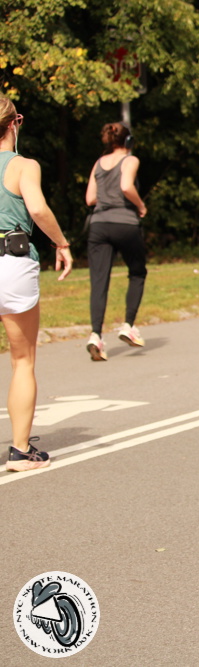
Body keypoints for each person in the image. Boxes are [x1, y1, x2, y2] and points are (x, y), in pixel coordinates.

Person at [0, 94, 73, 471]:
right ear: (15, 123)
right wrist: (61, 243)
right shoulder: (23, 165)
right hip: (11, 263)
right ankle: (20, 451)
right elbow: (38, 209)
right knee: (22, 360)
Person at [84, 122, 148, 361]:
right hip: (125, 224)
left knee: (99, 281)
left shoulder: (98, 163)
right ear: (129, 141)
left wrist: (106, 198)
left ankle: (95, 336)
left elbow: (90, 198)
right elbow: (126, 186)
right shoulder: (130, 161)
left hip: (99, 226)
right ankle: (128, 325)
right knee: (137, 272)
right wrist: (141, 205)